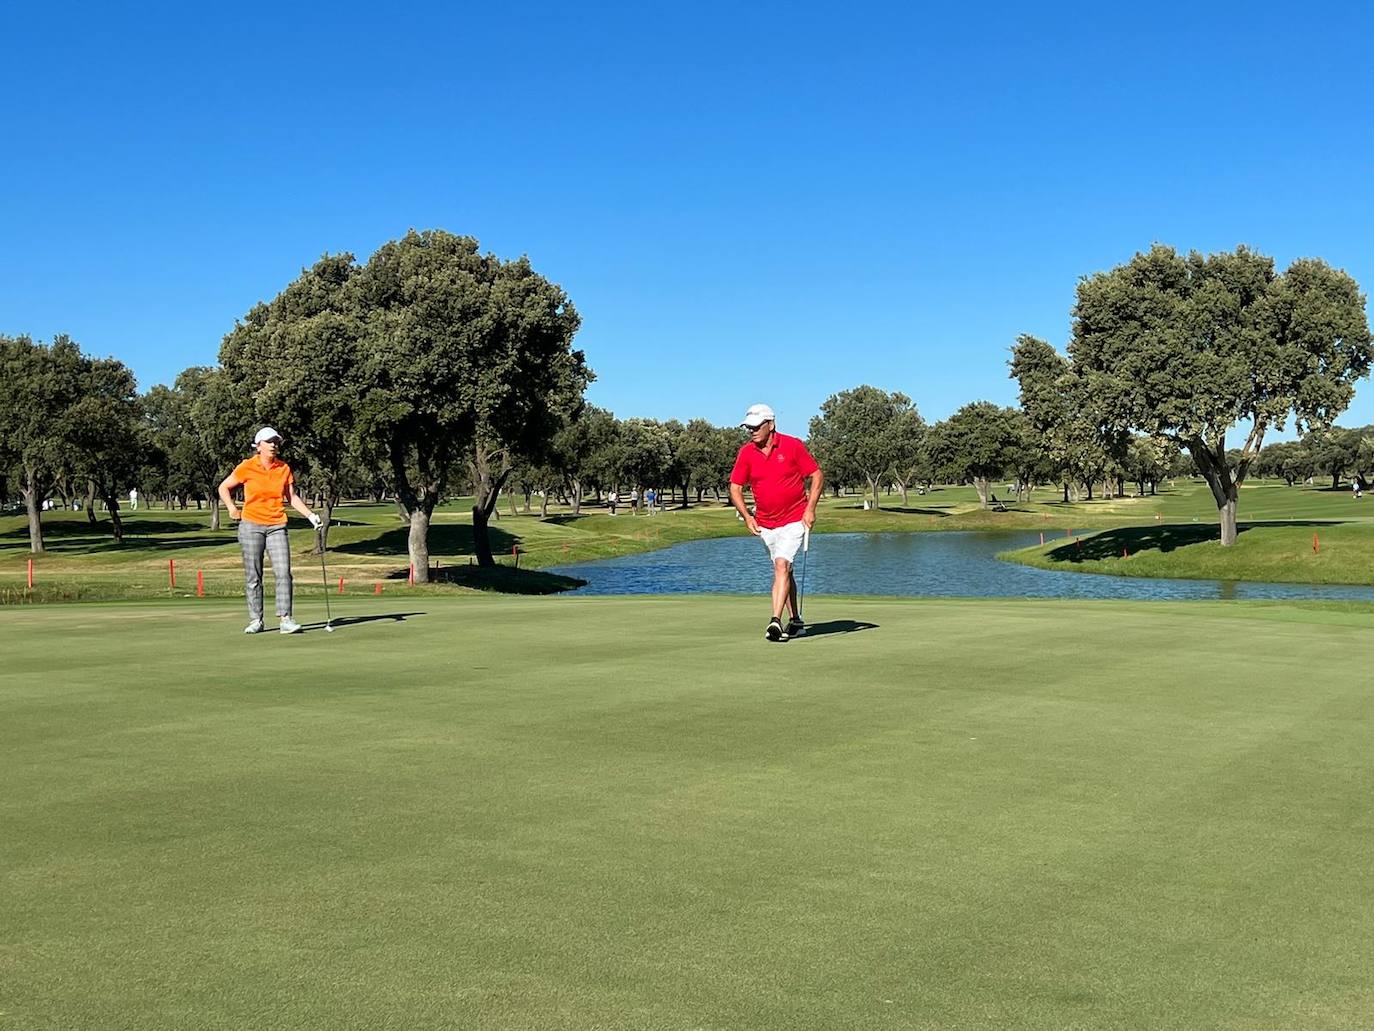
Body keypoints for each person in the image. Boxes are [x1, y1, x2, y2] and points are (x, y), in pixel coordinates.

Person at [728, 403, 824, 642]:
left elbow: (816, 475)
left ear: (771, 425)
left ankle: (775, 621)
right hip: (765, 523)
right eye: (748, 427)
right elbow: (735, 487)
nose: (751, 431)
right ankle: (796, 620)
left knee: (782, 565)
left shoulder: (792, 446)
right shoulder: (746, 452)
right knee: (785, 569)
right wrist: (747, 516)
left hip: (794, 518)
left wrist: (810, 509)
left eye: (756, 426)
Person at [217, 427, 321, 635]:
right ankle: (256, 619)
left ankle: (285, 619)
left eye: (276, 441)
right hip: (250, 525)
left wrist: (310, 516)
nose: (274, 445)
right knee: (254, 575)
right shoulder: (247, 467)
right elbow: (223, 487)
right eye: (269, 441)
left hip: (277, 525)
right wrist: (231, 508)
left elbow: (291, 497)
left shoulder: (283, 468)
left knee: (283, 572)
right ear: (258, 446)